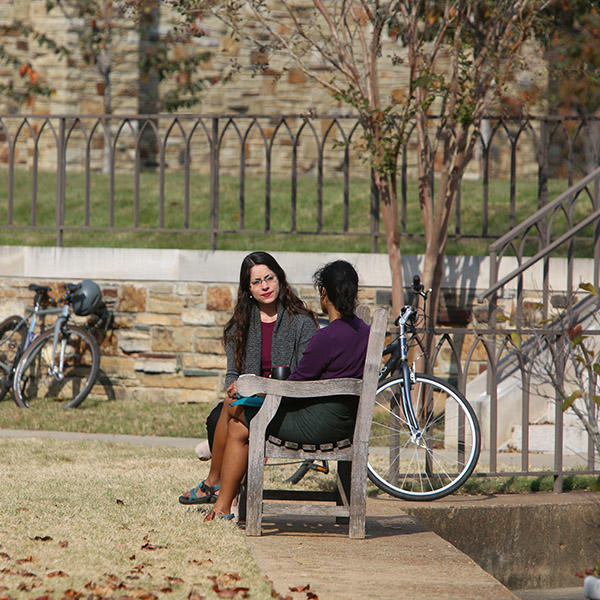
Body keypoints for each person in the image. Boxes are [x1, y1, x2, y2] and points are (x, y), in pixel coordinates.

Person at [203, 259, 370, 521]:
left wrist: (256, 390)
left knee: (237, 424)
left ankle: (221, 503)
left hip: (317, 422)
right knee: (234, 414)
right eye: (256, 281)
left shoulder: (324, 338)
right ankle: (222, 502)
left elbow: (296, 387)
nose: (264, 286)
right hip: (347, 421)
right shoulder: (366, 332)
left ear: (324, 292)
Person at [179, 251, 318, 504]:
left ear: (280, 279)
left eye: (269, 278)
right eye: (256, 282)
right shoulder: (239, 325)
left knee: (232, 417)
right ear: (248, 289)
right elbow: (232, 372)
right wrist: (232, 387)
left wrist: (264, 388)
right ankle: (226, 491)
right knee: (219, 414)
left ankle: (217, 485)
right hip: (248, 400)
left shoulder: (301, 322)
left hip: (287, 403)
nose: (265, 286)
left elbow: (304, 374)